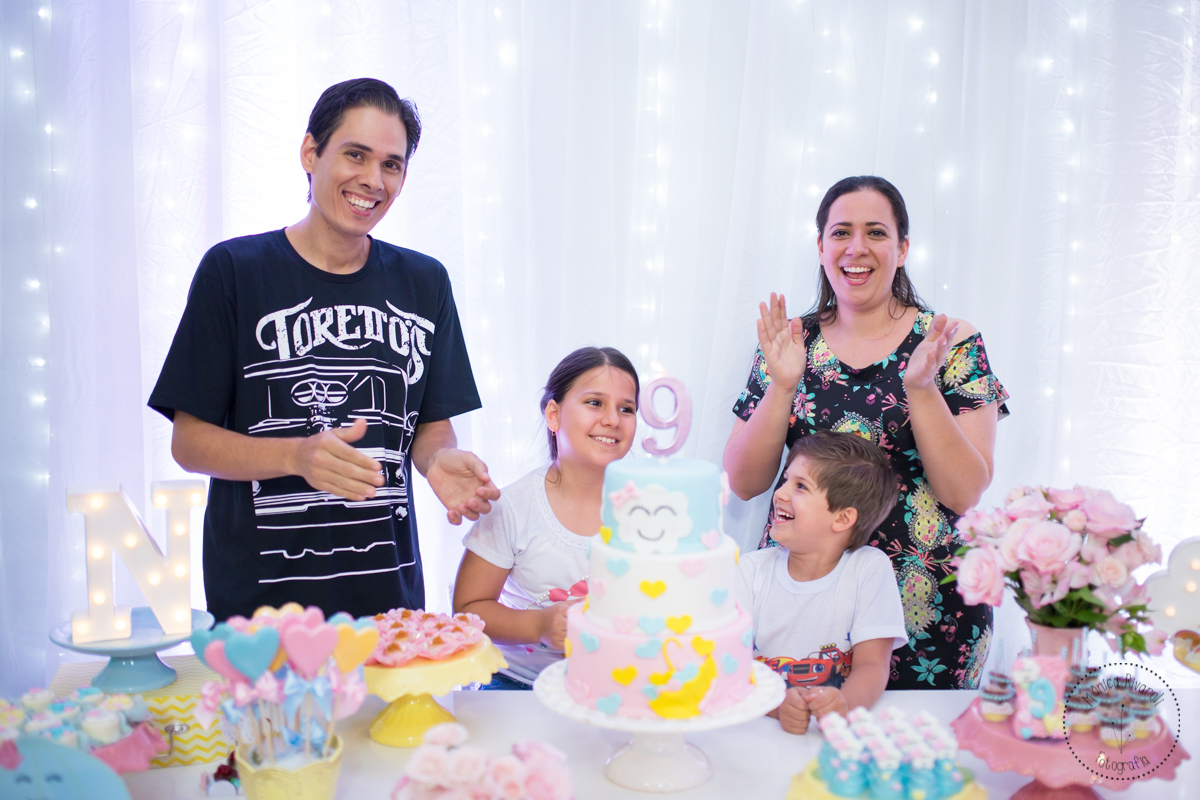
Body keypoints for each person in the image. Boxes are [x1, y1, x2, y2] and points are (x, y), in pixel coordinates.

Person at [149, 78, 499, 621]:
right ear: (310, 153)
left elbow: (428, 425)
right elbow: (189, 443)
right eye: (354, 155)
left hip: (389, 612)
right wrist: (294, 456)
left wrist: (437, 462)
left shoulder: (425, 282)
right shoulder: (235, 272)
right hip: (260, 617)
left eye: (391, 164)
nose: (372, 180)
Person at [724, 175, 1009, 690]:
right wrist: (782, 384)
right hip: (803, 608)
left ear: (902, 248)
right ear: (820, 246)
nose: (857, 248)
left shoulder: (949, 342)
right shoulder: (791, 343)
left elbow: (965, 492)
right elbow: (743, 482)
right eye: (841, 233)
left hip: (928, 613)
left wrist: (921, 391)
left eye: (876, 232)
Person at [453, 347, 639, 689]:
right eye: (595, 402)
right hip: (516, 683)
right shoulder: (513, 506)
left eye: (626, 408)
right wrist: (540, 625)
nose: (613, 419)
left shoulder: (646, 511)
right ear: (554, 415)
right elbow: (467, 610)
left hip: (614, 687)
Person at [737, 432, 906, 734]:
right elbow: (729, 665)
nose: (780, 493)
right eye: (786, 479)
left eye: (801, 486)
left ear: (842, 519)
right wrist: (776, 706)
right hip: (756, 728)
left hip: (836, 739)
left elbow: (873, 665)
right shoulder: (750, 570)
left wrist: (844, 705)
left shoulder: (868, 568)